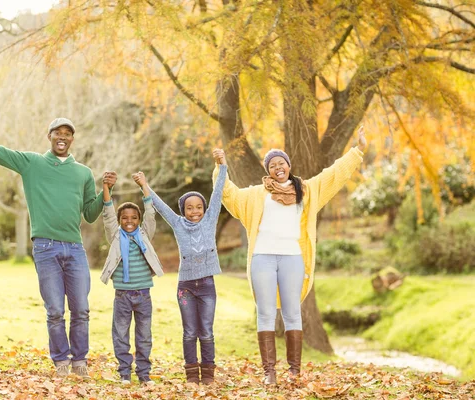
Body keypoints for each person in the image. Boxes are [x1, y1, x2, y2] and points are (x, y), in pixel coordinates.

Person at [0, 104, 114, 378]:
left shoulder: (84, 173)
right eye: (57, 132)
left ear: (73, 139)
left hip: (75, 249)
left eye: (67, 133)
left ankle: (80, 362)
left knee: (81, 310)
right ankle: (62, 363)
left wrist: (106, 191)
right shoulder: (32, 163)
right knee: (54, 310)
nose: (62, 137)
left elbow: (89, 215)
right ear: (49, 136)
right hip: (45, 248)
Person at [212, 127, 367, 385]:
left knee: (293, 312)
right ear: (267, 170)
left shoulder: (306, 191)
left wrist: (358, 149)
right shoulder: (255, 195)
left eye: (281, 162)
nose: (277, 167)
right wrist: (221, 167)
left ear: (288, 165)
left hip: (293, 258)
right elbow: (229, 195)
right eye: (272, 165)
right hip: (262, 257)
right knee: (265, 312)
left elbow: (334, 175)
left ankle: (294, 371)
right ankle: (269, 372)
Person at [134, 163, 227, 385]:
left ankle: (208, 375)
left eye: (198, 207)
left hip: (206, 286)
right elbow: (160, 206)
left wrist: (221, 166)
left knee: (206, 332)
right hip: (185, 286)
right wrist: (144, 185)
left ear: (204, 209)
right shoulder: (178, 224)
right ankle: (192, 375)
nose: (194, 212)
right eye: (189, 208)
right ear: (183, 210)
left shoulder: (210, 219)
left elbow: (217, 192)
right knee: (189, 332)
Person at [99, 172, 164, 386]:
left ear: (138, 220)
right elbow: (107, 212)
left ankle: (144, 373)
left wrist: (144, 185)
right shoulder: (115, 236)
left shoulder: (145, 234)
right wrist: (107, 187)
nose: (129, 221)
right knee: (120, 335)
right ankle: (125, 372)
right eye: (124, 218)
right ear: (119, 221)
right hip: (123, 296)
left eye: (133, 218)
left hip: (144, 294)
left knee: (144, 336)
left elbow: (150, 212)